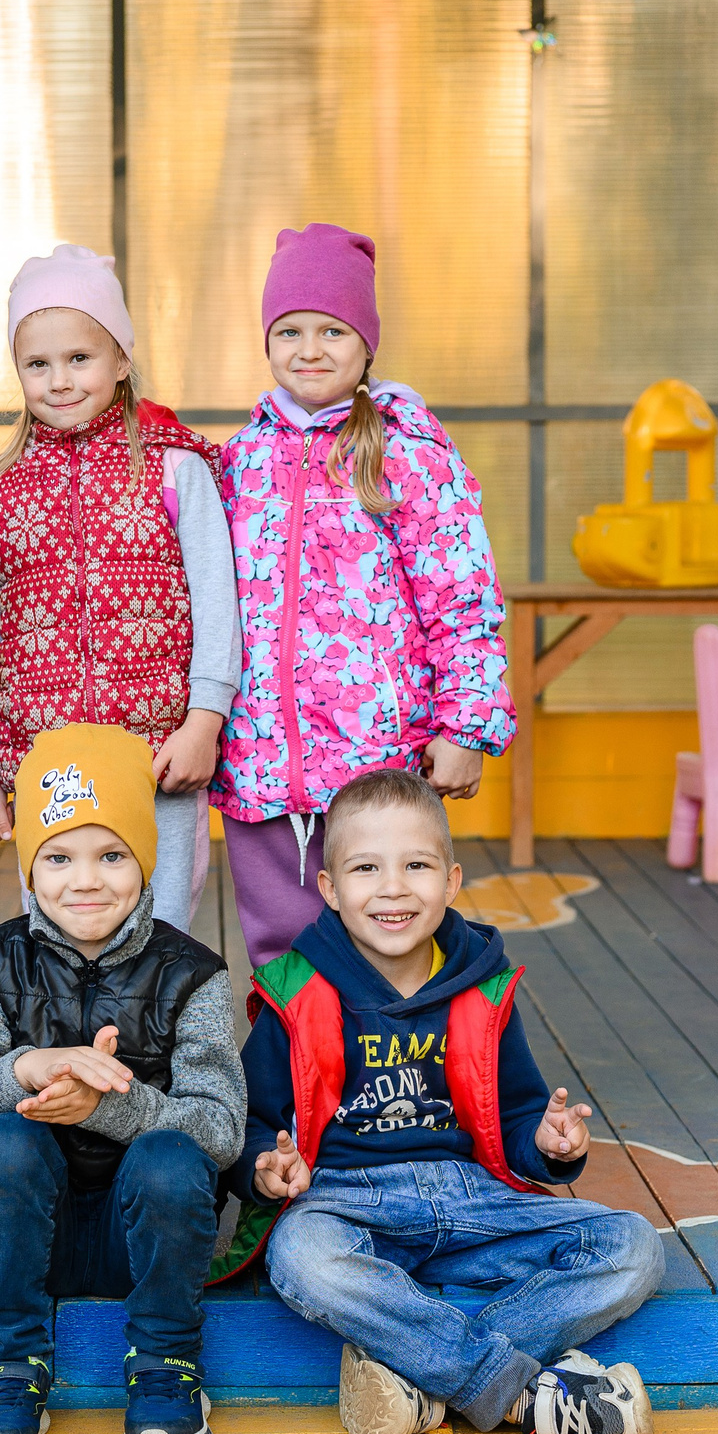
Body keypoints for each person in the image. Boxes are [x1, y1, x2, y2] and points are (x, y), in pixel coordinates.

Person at [235, 769, 664, 1434]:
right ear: (331, 889)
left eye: (417, 866)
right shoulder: (297, 992)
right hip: (349, 1205)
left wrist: (550, 1144)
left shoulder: (483, 985)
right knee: (301, 1257)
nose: (395, 887)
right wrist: (266, 1166)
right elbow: (252, 1123)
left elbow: (521, 1112)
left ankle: (421, 1380)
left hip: (475, 1200)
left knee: (634, 1248)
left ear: (453, 881)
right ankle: (524, 1390)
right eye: (367, 868)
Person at [0, 724, 244, 1434]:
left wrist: (109, 1107)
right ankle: (10, 1367)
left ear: (146, 863)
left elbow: (224, 1130)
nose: (87, 879)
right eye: (59, 857)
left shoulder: (190, 973)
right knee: (6, 1137)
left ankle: (167, 1366)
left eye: (111, 855)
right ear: (31, 870)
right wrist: (25, 1069)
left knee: (173, 1152)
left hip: (150, 1243)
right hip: (26, 1240)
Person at [212, 224, 515, 963]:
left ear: (366, 343)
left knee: (386, 932)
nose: (309, 350)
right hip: (260, 760)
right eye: (289, 331)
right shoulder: (239, 460)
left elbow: (462, 596)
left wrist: (467, 727)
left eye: (332, 331)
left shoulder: (406, 454)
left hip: (375, 759)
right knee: (279, 947)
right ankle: (289, 1072)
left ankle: (391, 1070)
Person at [0, 245, 242, 930]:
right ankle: (69, 1046)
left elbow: (218, 605)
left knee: (164, 931)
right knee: (59, 933)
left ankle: (161, 1043)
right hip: (48, 764)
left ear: (120, 359)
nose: (58, 380)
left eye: (79, 358)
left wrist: (203, 722)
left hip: (160, 758)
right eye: (38, 363)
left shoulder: (175, 471)